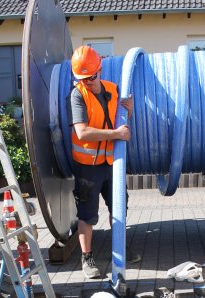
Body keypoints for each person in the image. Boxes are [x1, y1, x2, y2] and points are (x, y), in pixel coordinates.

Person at [67, 46, 137, 279]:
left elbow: (120, 120)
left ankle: (119, 249)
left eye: (92, 77)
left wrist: (130, 110)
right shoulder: (77, 95)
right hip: (87, 167)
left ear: (100, 69)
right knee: (87, 214)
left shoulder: (113, 89)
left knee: (119, 205)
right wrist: (116, 134)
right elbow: (83, 132)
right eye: (84, 79)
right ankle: (87, 259)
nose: (89, 82)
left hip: (111, 163)